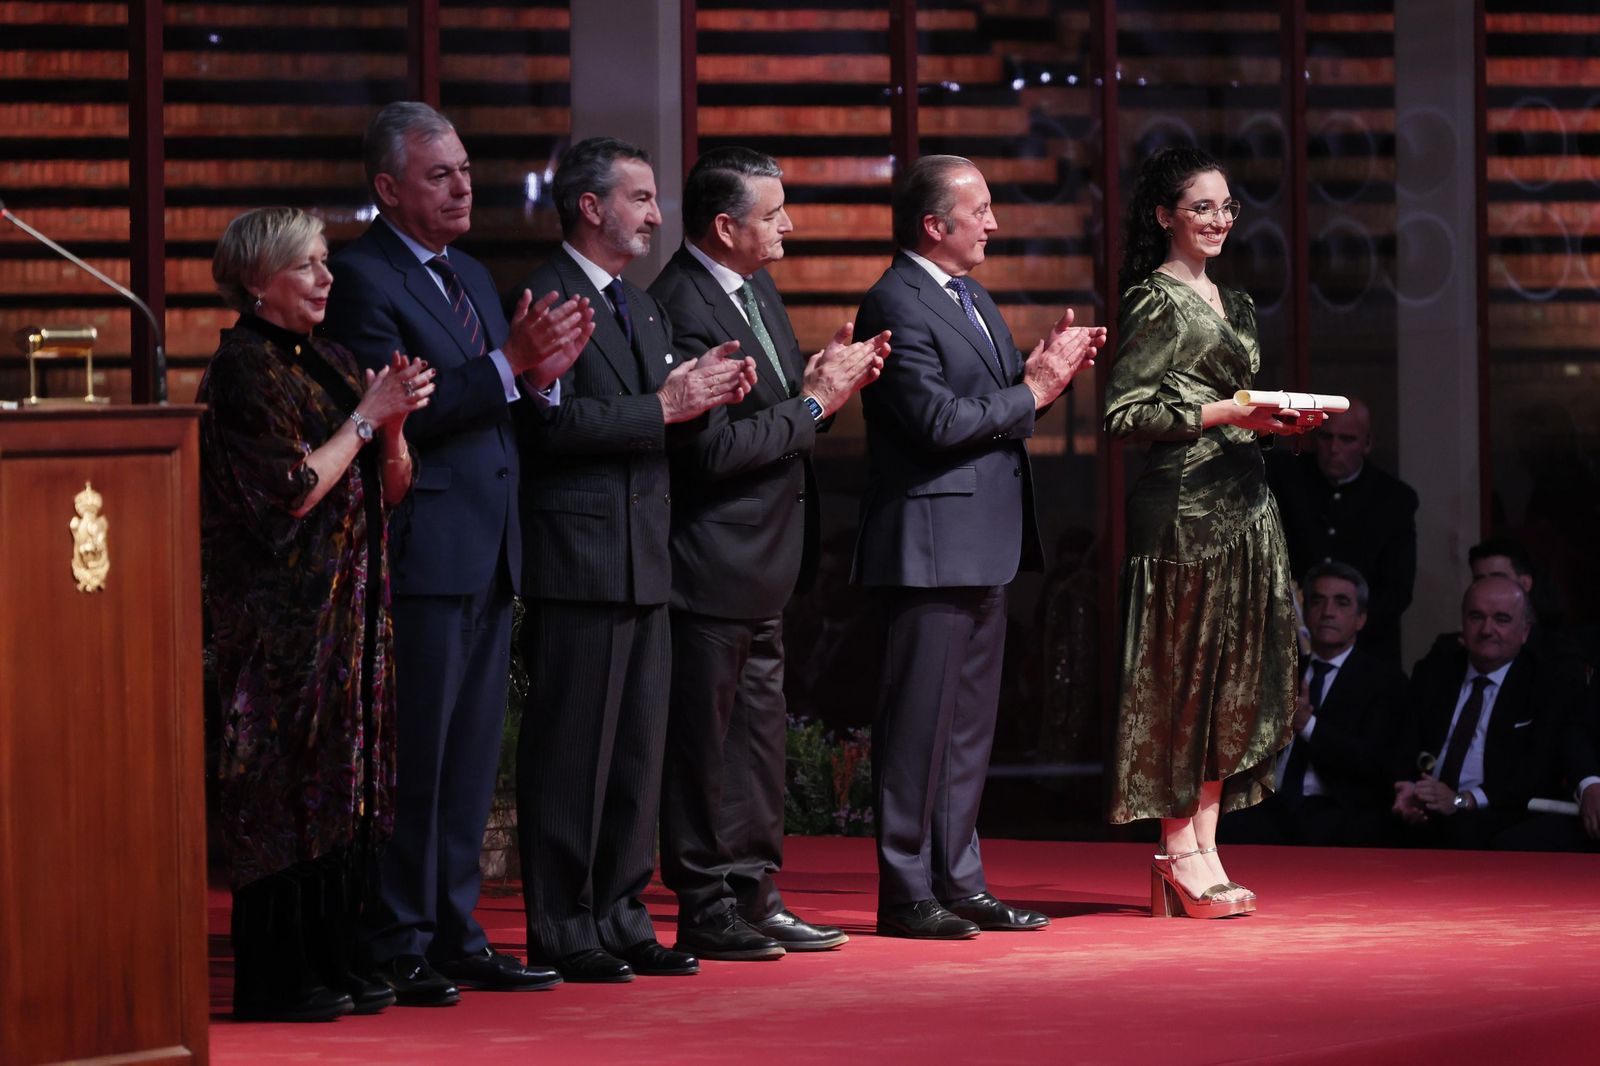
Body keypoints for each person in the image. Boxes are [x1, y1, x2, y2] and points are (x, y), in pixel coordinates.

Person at [321, 101, 592, 1005]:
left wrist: (539, 380)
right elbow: (408, 407)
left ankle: (456, 929)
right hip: (425, 544)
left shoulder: (471, 272)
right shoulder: (362, 279)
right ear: (388, 188)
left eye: (467, 170)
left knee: (474, 758)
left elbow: (502, 389)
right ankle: (398, 936)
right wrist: (514, 366)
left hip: (492, 542)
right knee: (421, 755)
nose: (463, 186)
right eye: (440, 175)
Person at [513, 137, 756, 982]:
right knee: (572, 752)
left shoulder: (642, 307)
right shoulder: (548, 295)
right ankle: (562, 923)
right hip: (579, 555)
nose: (657, 215)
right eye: (642, 198)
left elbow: (662, 413)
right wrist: (663, 404)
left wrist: (711, 388)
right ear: (591, 207)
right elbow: (547, 428)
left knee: (635, 754)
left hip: (649, 554)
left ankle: (621, 914)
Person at [852, 154, 1104, 940]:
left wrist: (1034, 368)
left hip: (984, 540)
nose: (994, 223)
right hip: (929, 545)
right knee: (917, 726)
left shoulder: (972, 296)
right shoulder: (893, 302)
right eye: (981, 210)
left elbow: (985, 401)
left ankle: (959, 879)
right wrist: (1036, 390)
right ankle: (905, 889)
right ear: (936, 225)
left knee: (967, 730)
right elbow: (936, 422)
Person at [648, 146, 888, 961]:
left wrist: (817, 380)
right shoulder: (680, 304)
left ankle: (755, 892)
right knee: (702, 746)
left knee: (757, 742)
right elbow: (707, 452)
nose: (787, 224)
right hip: (709, 560)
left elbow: (781, 410)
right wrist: (820, 402)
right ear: (724, 226)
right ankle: (705, 903)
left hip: (766, 559)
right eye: (771, 213)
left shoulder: (754, 289)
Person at [201, 206, 433, 1021]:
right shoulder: (242, 370)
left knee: (350, 791)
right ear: (259, 280)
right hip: (278, 632)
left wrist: (393, 428)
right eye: (307, 266)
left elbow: (391, 486)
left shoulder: (333, 359)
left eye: (327, 261)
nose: (327, 278)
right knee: (282, 793)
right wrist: (366, 419)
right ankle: (279, 977)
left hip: (352, 621)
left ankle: (344, 958)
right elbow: (292, 493)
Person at [1105, 146, 1322, 918]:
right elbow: (1123, 415)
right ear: (1165, 215)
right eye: (1202, 207)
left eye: (1227, 207)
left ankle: (1204, 842)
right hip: (1184, 515)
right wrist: (1228, 413)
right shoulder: (1152, 301)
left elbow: (1233, 405)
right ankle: (1175, 849)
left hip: (1245, 502)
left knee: (1234, 679)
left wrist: (1269, 420)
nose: (1220, 220)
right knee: (1184, 677)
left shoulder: (1237, 302)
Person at [1222, 562, 1406, 847]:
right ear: (1305, 612)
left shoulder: (1383, 681)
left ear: (1361, 618)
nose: (1328, 612)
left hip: (1337, 808)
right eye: (1318, 600)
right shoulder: (1284, 672)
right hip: (1271, 805)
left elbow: (1375, 762)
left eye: (1341, 603)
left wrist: (1307, 725)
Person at [1391, 576, 1573, 849]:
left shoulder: (1544, 683)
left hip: (1496, 811)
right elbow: (1403, 741)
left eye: (1501, 619)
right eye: (1477, 617)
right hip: (1428, 803)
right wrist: (1407, 786)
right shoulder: (1434, 672)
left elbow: (1535, 772)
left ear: (1524, 631)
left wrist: (1460, 800)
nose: (1487, 629)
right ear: (1463, 624)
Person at [1265, 398, 1418, 666]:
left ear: (1367, 443)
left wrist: (1347, 626)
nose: (1334, 449)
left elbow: (1397, 589)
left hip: (1364, 650)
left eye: (1347, 440)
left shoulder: (1394, 501)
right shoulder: (1288, 478)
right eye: (1326, 437)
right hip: (1290, 642)